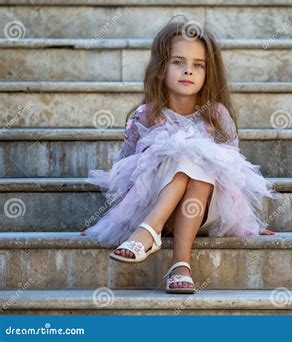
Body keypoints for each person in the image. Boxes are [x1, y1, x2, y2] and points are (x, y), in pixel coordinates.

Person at [81, 18, 278, 294]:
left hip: (206, 212)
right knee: (178, 149)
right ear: (161, 68)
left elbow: (234, 174)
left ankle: (150, 235)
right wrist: (112, 218)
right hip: (159, 207)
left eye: (198, 65)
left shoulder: (217, 116)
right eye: (178, 62)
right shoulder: (146, 116)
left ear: (209, 72)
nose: (188, 71)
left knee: (193, 152)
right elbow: (126, 171)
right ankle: (178, 264)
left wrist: (249, 224)